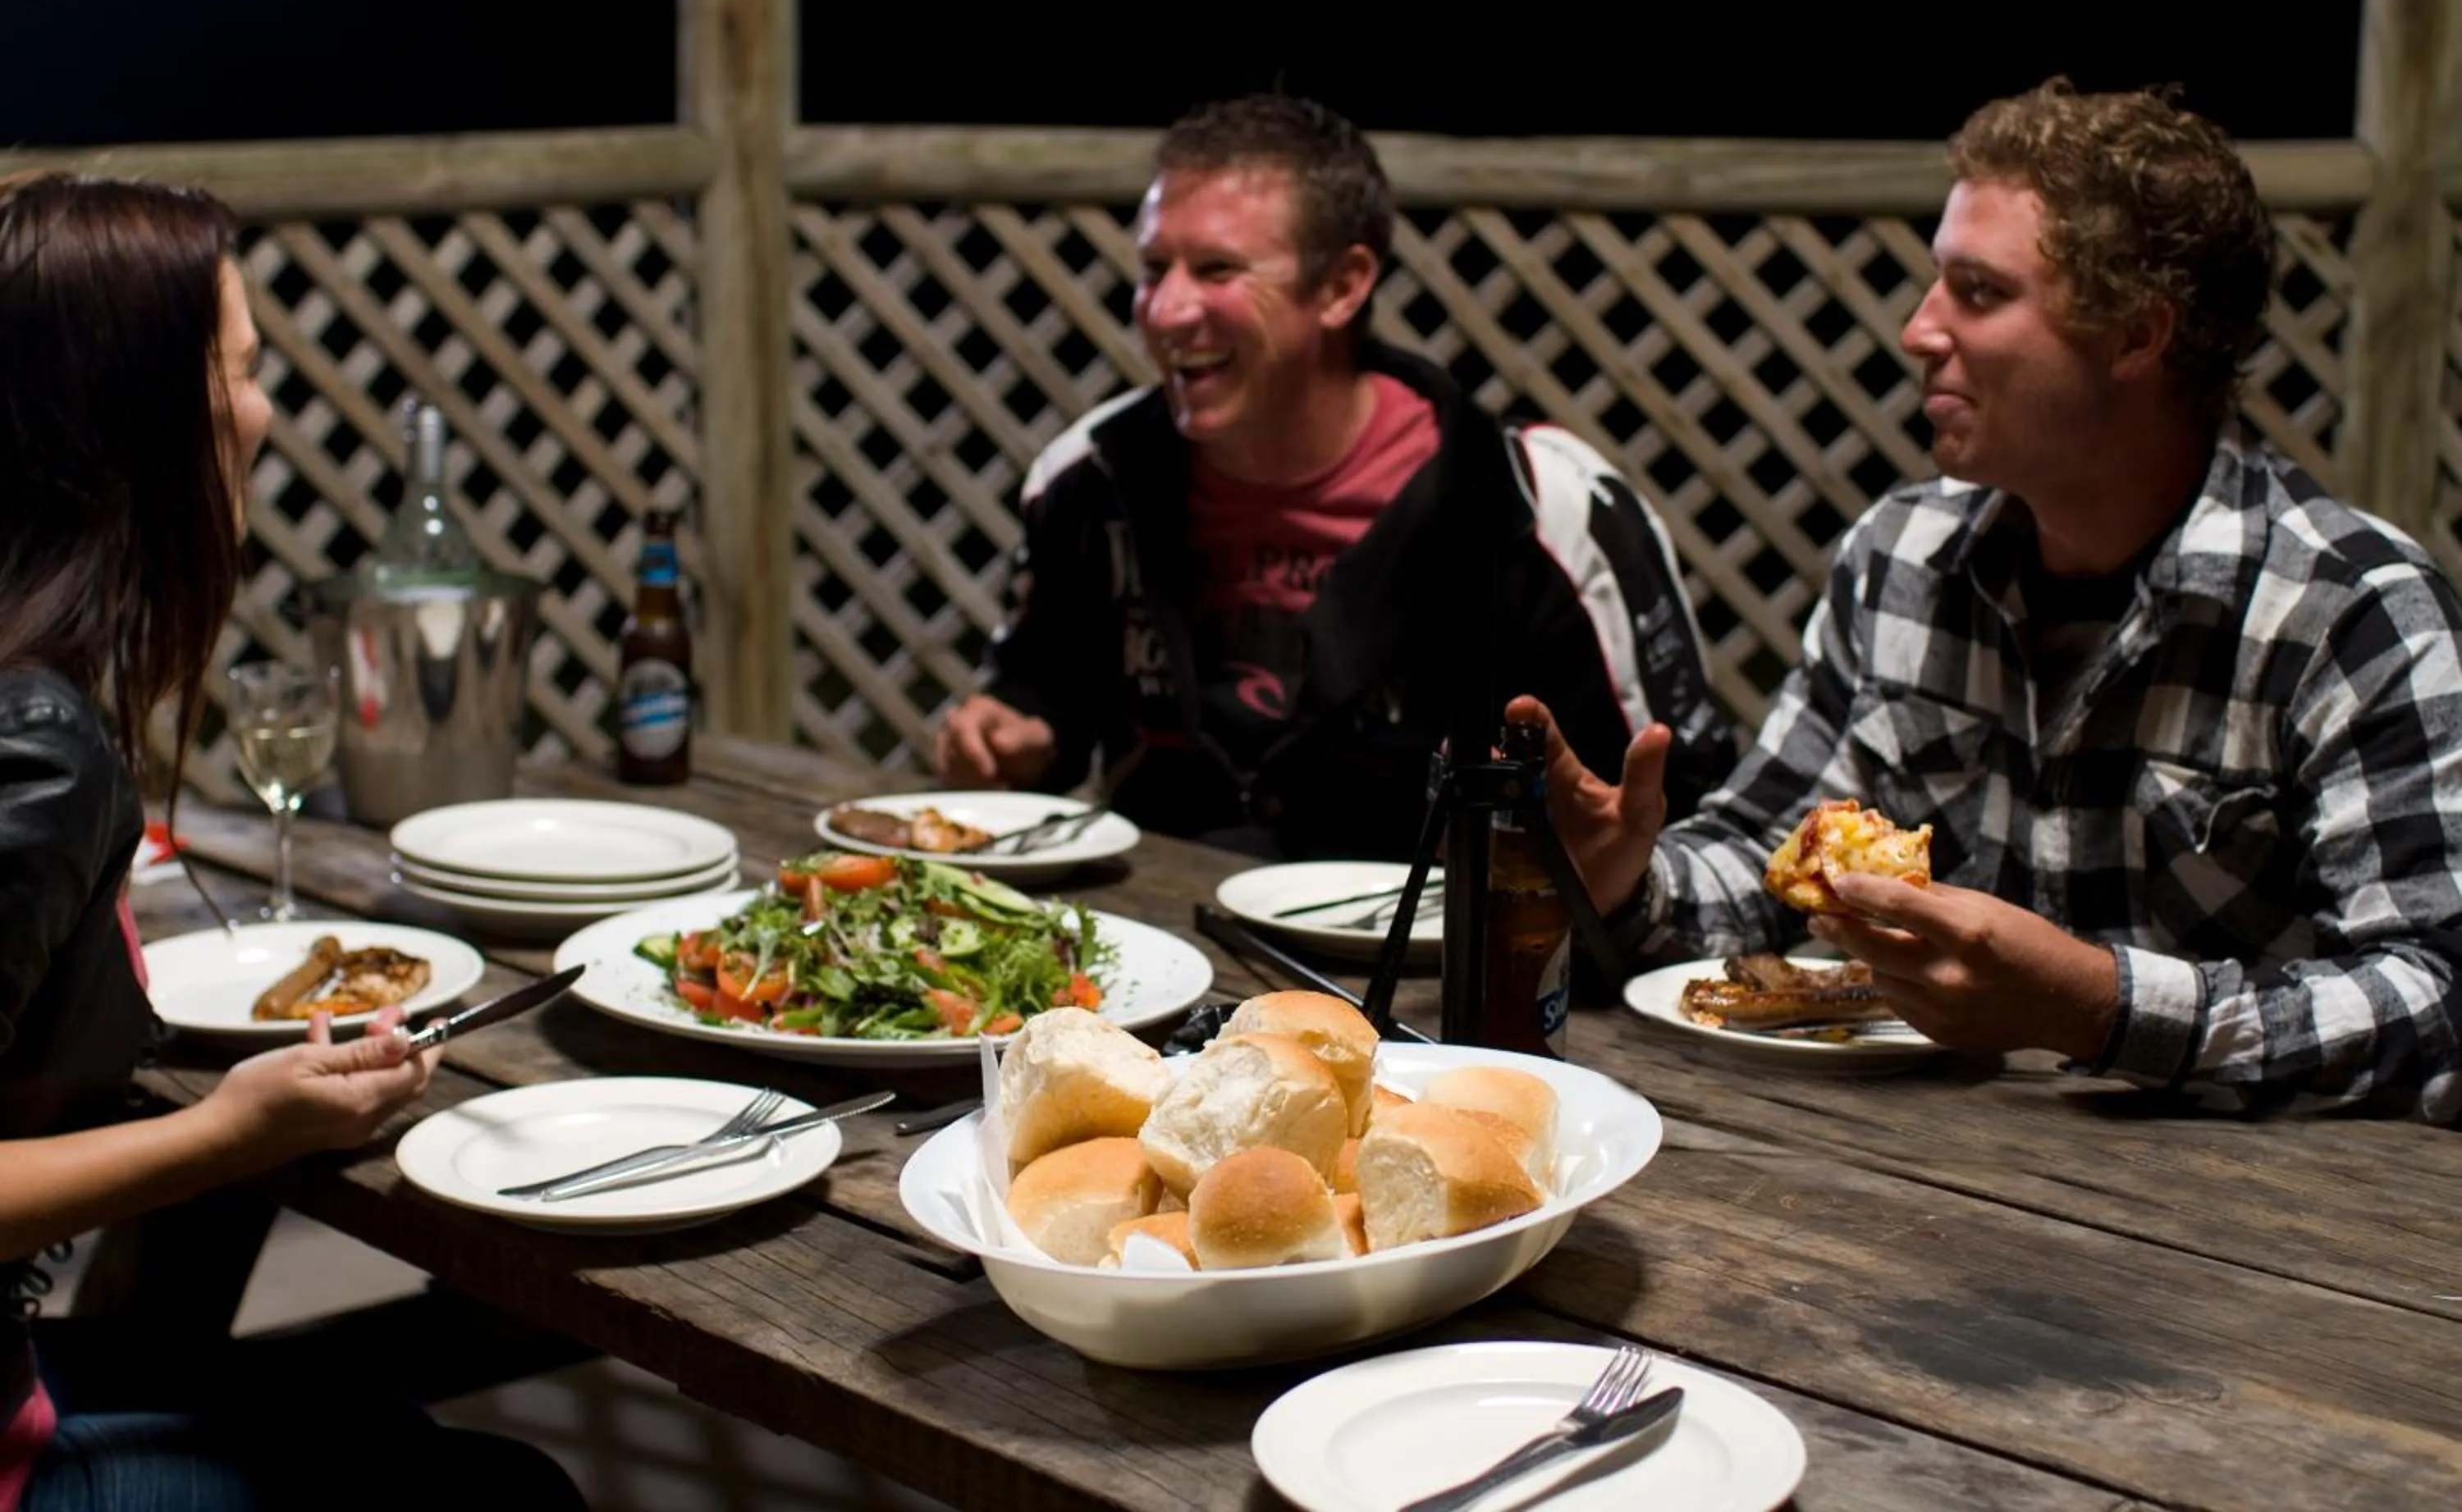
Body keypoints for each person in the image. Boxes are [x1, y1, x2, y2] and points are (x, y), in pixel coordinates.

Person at [1512, 79, 2462, 1121]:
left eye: (1977, 291)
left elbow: (2435, 993)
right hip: (1934, 1168)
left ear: (2137, 335)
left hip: (2272, 1206)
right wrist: (1625, 878)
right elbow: (1760, 854)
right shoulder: (1901, 557)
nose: (1918, 329)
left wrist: (2096, 1005)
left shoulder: (2350, 612)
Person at [0, 174, 585, 1510]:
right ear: (137, 410)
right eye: (244, 370)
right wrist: (228, 1135)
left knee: (371, 1419)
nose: (263, 413)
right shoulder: (34, 740)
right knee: (505, 1496)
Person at [936, 94, 1733, 857]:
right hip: (1154, 929)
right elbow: (1038, 696)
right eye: (1153, 268)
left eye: (1217, 269)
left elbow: (1680, 814)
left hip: (1438, 942)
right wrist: (1012, 734)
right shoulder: (1088, 477)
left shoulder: (1537, 504)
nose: (1166, 310)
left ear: (1343, 286)